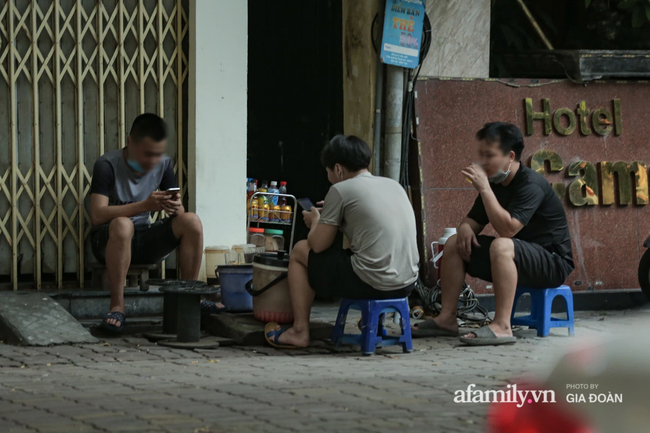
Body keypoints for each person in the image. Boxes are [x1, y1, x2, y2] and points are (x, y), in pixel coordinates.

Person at [413, 122, 574, 345]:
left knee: (502, 244)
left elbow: (508, 229)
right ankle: (447, 319)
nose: (483, 162)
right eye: (481, 155)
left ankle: (502, 326)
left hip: (552, 262)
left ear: (510, 156)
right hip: (514, 258)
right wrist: (465, 229)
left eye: (489, 155)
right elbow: (470, 223)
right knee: (452, 243)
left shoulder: (531, 184)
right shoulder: (496, 184)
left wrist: (485, 189)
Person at [265, 135, 420, 348]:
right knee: (358, 251)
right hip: (407, 283)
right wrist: (334, 216)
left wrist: (316, 221)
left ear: (338, 169)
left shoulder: (340, 189)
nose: (328, 176)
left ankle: (299, 331)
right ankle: (370, 322)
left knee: (301, 250)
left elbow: (318, 245)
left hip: (373, 282)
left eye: (328, 171)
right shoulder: (393, 185)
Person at [90, 113, 203, 332]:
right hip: (108, 239)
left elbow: (178, 212)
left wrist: (174, 206)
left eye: (157, 154)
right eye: (146, 154)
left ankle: (190, 300)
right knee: (123, 225)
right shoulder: (106, 165)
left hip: (143, 237)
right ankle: (117, 306)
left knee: (191, 221)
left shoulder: (163, 164)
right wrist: (145, 205)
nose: (152, 161)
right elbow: (97, 215)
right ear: (130, 142)